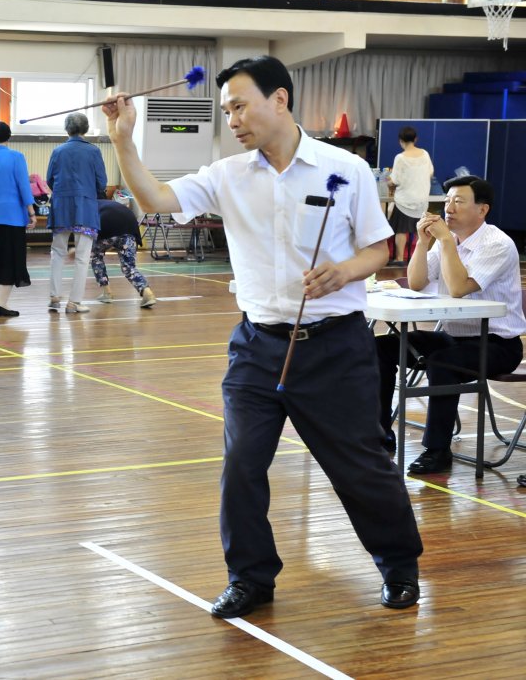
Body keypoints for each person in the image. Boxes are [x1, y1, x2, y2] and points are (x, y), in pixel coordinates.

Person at [102, 55, 423, 618]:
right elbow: (155, 199)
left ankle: (398, 565)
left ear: (279, 99)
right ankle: (250, 577)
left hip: (335, 347)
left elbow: (380, 247)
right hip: (257, 345)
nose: (232, 120)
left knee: (359, 465)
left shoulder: (343, 169)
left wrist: (345, 271)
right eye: (226, 110)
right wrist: (123, 140)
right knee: (242, 467)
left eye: (240, 106)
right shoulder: (227, 175)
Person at [376, 176, 525, 473]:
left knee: (443, 362)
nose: (449, 208)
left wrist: (444, 241)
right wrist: (423, 242)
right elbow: (416, 282)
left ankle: (437, 450)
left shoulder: (497, 244)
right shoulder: (449, 239)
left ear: (482, 210)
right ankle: (379, 435)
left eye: (458, 201)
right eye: (446, 201)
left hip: (497, 344)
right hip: (453, 335)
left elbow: (458, 288)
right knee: (380, 347)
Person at [46, 112, 105, 314]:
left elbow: (49, 180)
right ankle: (74, 302)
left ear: (67, 129)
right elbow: (102, 183)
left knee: (57, 252)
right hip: (85, 206)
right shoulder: (94, 151)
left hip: (61, 205)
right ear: (86, 129)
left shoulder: (57, 151)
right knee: (82, 256)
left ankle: (54, 297)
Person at [0, 121, 36, 317]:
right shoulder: (16, 157)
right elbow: (23, 186)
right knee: (10, 260)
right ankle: (2, 304)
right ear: (8, 136)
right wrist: (31, 212)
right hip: (12, 217)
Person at [92, 199, 157, 309]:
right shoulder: (108, 203)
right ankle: (147, 292)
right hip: (130, 227)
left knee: (96, 256)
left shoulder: (89, 207)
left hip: (108, 226)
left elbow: (88, 232)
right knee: (129, 267)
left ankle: (107, 293)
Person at [386, 126, 433, 266]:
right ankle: (417, 259)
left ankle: (399, 259)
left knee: (401, 230)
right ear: (415, 139)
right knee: (419, 230)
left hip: (405, 201)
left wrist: (388, 181)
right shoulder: (425, 154)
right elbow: (430, 172)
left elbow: (395, 180)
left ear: (400, 141)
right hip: (422, 200)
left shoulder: (400, 158)